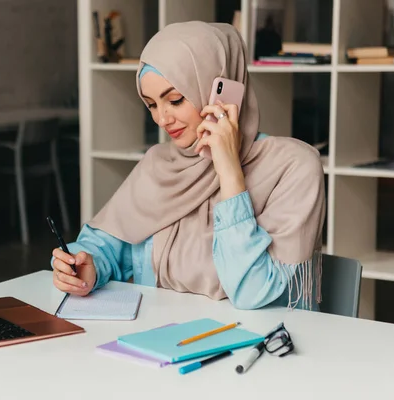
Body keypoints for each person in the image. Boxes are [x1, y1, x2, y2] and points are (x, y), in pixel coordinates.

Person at [51, 21, 326, 310]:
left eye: (175, 99)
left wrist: (230, 171)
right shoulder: (160, 164)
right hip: (163, 338)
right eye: (152, 105)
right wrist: (86, 266)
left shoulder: (294, 167)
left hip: (260, 345)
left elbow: (253, 293)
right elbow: (108, 246)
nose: (162, 119)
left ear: (221, 90)